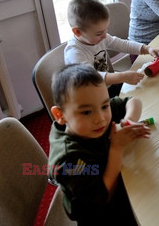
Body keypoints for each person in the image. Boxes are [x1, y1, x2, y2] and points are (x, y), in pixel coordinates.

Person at [48, 64, 151, 224]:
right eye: (87, 112)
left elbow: (133, 101)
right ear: (60, 115)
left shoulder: (91, 117)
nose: (101, 118)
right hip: (99, 213)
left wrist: (127, 121)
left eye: (105, 106)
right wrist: (117, 147)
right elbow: (104, 194)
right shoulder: (68, 161)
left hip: (114, 181)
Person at [65, 0, 159, 98]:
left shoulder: (100, 37)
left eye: (106, 29)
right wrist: (121, 76)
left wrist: (146, 49)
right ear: (77, 31)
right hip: (91, 99)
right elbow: (91, 78)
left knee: (147, 90)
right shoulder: (74, 52)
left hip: (107, 87)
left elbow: (122, 44)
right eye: (99, 33)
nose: (105, 35)